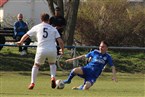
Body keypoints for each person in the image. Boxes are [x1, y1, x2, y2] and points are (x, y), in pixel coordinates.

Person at [17, 13, 64, 89]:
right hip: (52, 49)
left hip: (41, 49)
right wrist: (62, 50)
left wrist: (21, 41)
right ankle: (52, 77)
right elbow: (60, 41)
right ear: (49, 20)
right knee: (52, 64)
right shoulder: (53, 29)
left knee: (36, 65)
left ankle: (32, 83)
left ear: (41, 19)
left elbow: (26, 35)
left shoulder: (37, 27)